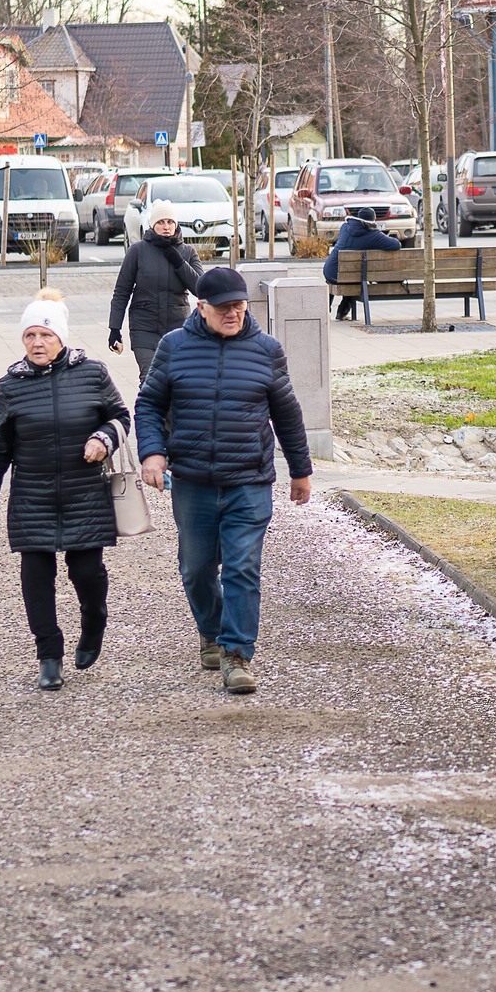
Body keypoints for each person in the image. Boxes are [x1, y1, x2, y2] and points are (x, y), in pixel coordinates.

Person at [135, 267, 312, 695]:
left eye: (239, 306)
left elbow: (287, 413)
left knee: (242, 567)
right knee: (196, 570)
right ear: (201, 307)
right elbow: (149, 404)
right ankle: (211, 631)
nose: (233, 314)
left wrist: (301, 469)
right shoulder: (173, 347)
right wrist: (153, 453)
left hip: (249, 479)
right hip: (193, 480)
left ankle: (237, 654)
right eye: (223, 308)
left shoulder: (266, 350)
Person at [0, 288, 135, 692]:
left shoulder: (92, 372)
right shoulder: (10, 385)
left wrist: (104, 437)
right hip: (33, 494)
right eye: (30, 336)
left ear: (61, 337)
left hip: (85, 492)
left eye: (45, 335)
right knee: (35, 575)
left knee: (87, 572)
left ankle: (94, 619)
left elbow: (121, 416)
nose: (37, 343)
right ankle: (49, 654)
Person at [108, 199, 205, 384]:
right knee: (150, 380)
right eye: (161, 222)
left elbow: (201, 288)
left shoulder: (188, 252)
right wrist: (115, 329)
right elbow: (121, 291)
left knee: (177, 383)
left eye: (170, 222)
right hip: (144, 328)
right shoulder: (137, 251)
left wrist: (179, 263)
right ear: (153, 225)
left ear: (176, 224)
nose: (166, 226)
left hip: (178, 329)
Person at [322, 205, 402, 321]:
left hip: (330, 271)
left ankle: (324, 310)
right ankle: (342, 312)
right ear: (373, 221)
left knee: (350, 275)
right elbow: (396, 245)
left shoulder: (345, 227)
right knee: (356, 278)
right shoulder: (374, 236)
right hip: (350, 276)